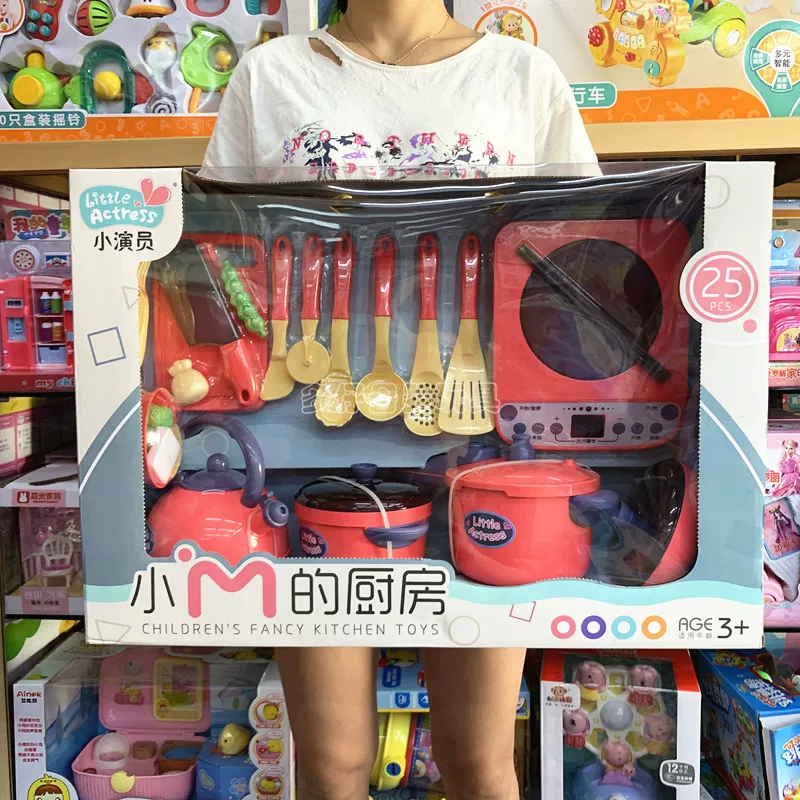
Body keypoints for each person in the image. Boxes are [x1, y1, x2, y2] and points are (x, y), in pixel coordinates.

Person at [202, 2, 597, 798]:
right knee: (334, 767)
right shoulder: (272, 74)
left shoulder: (520, 74)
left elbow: (569, 263)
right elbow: (219, 249)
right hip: (311, 469)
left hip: (490, 472)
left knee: (479, 764)